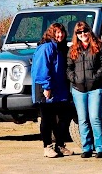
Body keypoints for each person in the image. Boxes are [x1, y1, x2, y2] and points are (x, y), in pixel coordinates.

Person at [67, 20, 102, 159]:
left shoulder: (99, 46)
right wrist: (74, 78)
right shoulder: (73, 49)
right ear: (76, 34)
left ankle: (101, 148)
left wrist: (96, 77)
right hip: (78, 89)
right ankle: (87, 148)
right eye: (79, 32)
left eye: (85, 31)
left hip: (96, 88)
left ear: (89, 31)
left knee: (95, 118)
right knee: (82, 119)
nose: (82, 34)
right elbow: (68, 68)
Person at [31, 22, 73, 159]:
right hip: (46, 89)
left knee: (63, 118)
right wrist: (46, 86)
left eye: (61, 32)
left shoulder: (61, 48)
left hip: (60, 90)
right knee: (47, 119)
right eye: (57, 32)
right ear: (51, 33)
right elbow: (42, 69)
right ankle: (47, 146)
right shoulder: (46, 48)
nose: (60, 35)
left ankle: (59, 145)